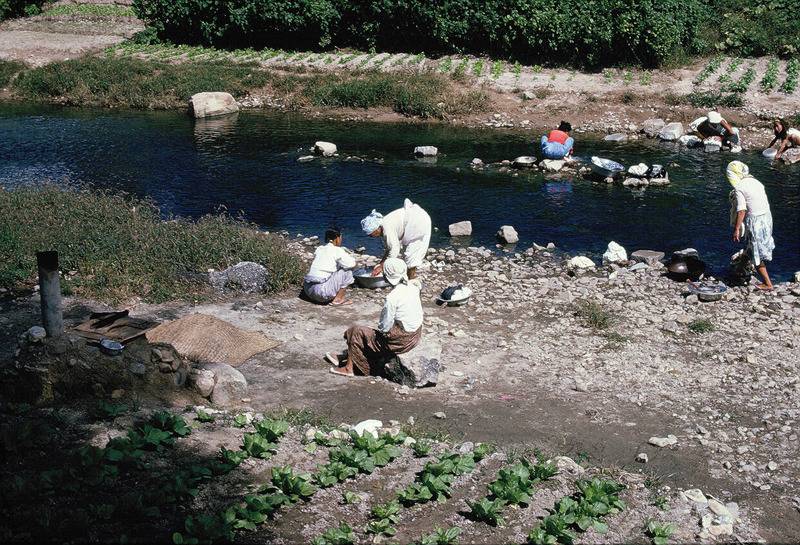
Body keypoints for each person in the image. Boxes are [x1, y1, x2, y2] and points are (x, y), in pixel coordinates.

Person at [328, 258, 423, 376]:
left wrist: (380, 331)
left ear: (387, 276)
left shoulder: (393, 297)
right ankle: (347, 356)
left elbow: (385, 328)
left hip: (401, 341)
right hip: (415, 335)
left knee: (356, 331)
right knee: (367, 333)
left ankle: (349, 368)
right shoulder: (413, 287)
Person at [727, 161, 775, 291]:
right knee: (751, 247)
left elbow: (741, 210)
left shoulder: (740, 187)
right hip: (767, 217)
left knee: (756, 253)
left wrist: (736, 229)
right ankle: (740, 269)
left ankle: (768, 283)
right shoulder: (756, 182)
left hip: (756, 222)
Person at [361, 198, 431, 280]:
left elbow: (394, 249)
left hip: (418, 223)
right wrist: (381, 264)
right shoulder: (383, 226)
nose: (371, 237)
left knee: (411, 257)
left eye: (371, 234)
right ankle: (407, 277)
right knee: (408, 256)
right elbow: (389, 248)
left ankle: (410, 282)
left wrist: (382, 267)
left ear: (377, 228)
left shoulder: (387, 228)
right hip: (414, 220)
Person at [303, 227, 356, 305]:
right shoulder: (337, 250)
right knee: (347, 271)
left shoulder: (319, 249)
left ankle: (325, 295)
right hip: (321, 293)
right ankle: (338, 300)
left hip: (308, 290)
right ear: (337, 238)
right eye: (341, 237)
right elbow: (352, 264)